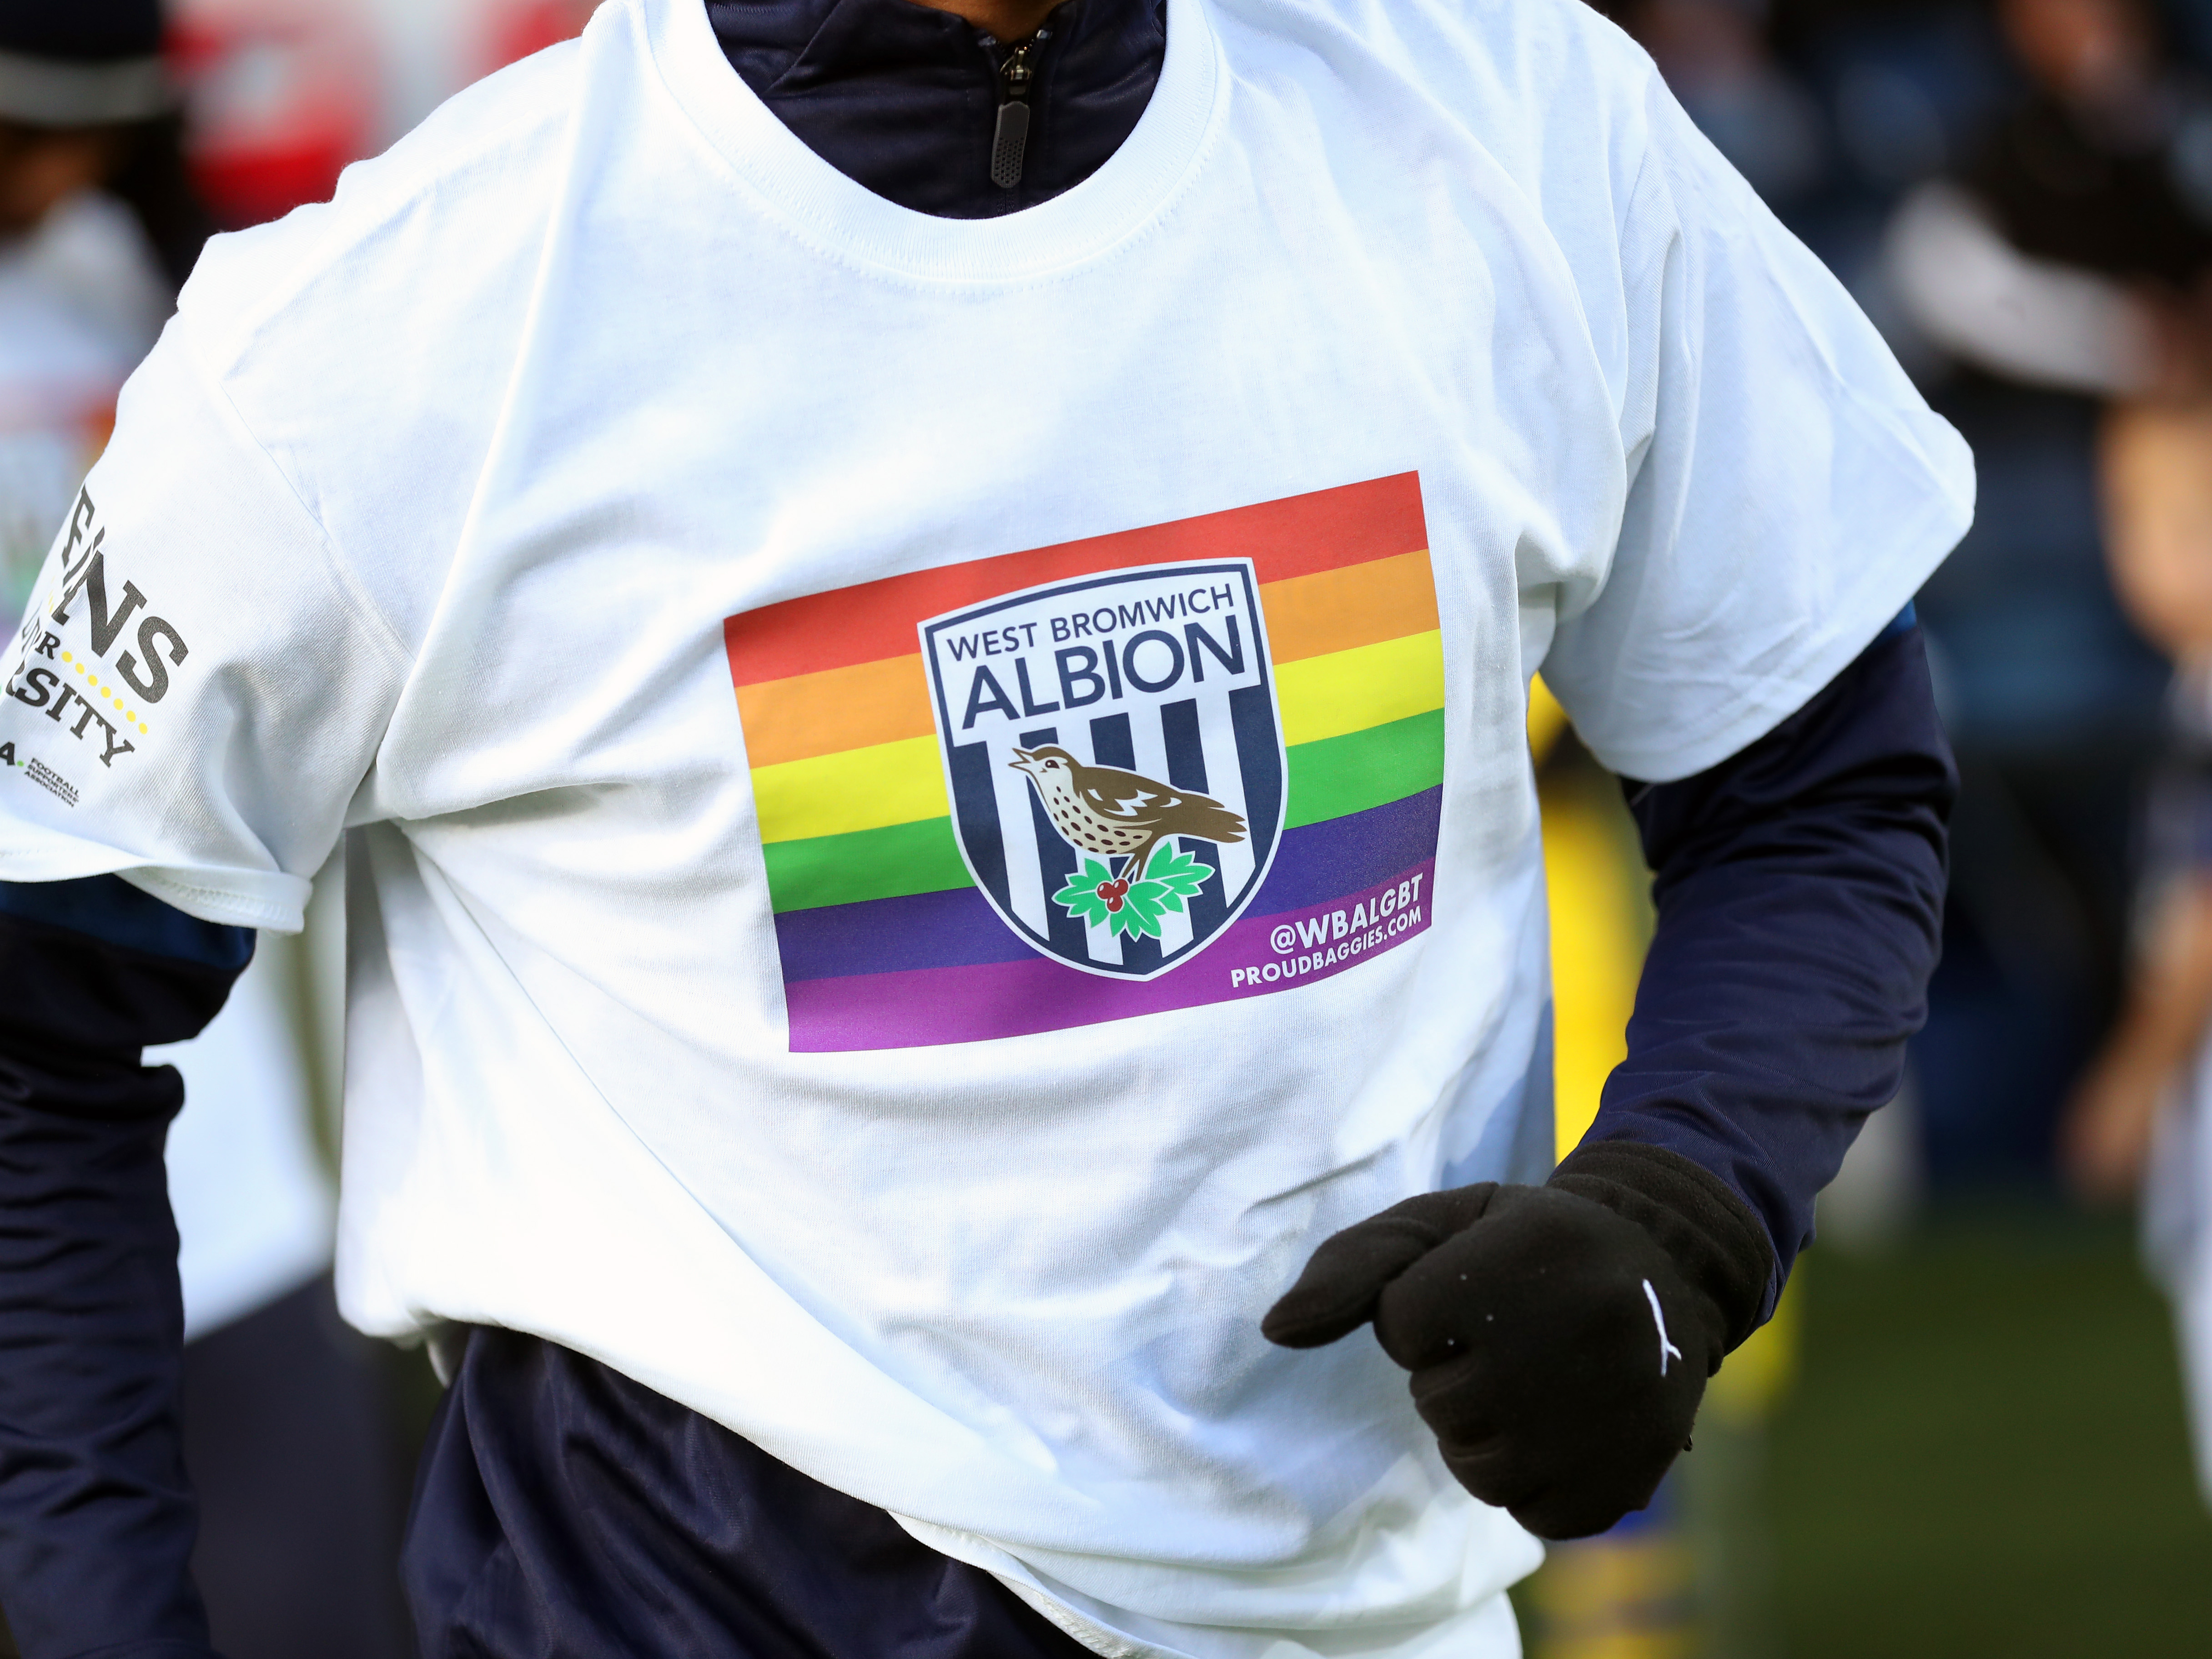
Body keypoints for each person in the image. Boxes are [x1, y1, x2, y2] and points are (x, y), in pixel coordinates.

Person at [0, 0, 1967, 1654]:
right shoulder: (390, 324)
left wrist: (1677, 1214)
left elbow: (1816, 774)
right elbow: (37, 1025)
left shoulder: (1516, 123)